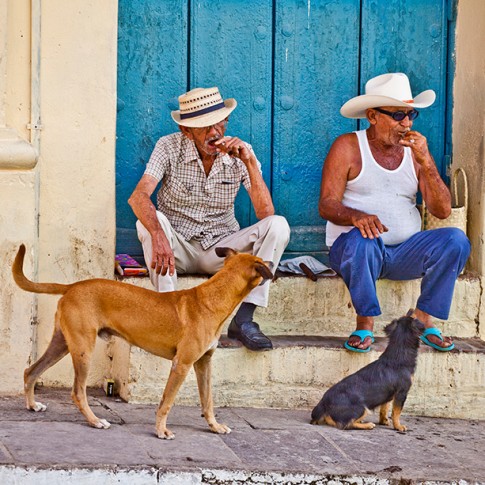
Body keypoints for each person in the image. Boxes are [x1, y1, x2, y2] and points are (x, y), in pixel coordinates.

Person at [129, 86, 290, 351]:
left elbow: (265, 214)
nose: (215, 133)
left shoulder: (241, 153)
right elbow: (138, 197)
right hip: (176, 248)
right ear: (186, 130)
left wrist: (249, 163)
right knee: (147, 220)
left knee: (278, 225)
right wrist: (159, 236)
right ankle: (171, 319)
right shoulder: (168, 146)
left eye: (219, 124)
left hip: (222, 252)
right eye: (205, 127)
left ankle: (245, 319)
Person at [319, 73, 470, 353]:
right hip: (356, 252)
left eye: (411, 114)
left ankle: (421, 320)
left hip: (404, 254)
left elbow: (442, 209)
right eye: (398, 115)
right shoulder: (348, 146)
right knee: (363, 239)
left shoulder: (415, 153)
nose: (407, 123)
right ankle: (365, 323)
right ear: (373, 116)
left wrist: (426, 163)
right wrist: (356, 217)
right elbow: (327, 204)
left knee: (456, 240)